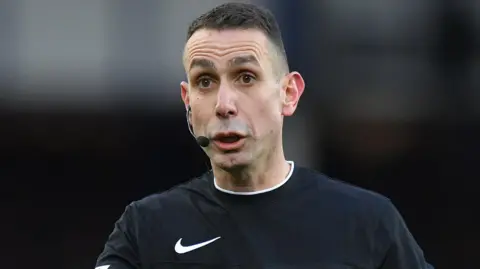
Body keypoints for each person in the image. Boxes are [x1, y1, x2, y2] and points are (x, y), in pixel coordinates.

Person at [95, 3, 434, 268]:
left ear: (289, 93)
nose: (224, 105)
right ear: (187, 101)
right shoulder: (146, 228)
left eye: (245, 77)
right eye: (205, 82)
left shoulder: (368, 223)